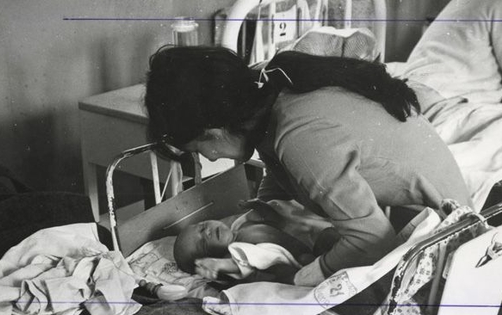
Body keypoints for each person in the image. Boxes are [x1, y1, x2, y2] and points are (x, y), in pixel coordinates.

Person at [143, 37, 472, 286]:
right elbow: (281, 163)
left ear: (213, 131)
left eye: (201, 149)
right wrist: (266, 202)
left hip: (444, 247)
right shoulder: (271, 90)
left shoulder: (300, 134)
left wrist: (300, 279)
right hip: (424, 216)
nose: (210, 157)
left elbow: (370, 240)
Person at [172, 199, 340, 283]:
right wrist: (218, 264)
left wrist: (261, 206)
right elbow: (241, 263)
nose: (207, 232)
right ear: (211, 256)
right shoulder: (232, 251)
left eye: (202, 227)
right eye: (203, 243)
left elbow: (275, 221)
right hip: (294, 269)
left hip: (310, 253)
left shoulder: (242, 224)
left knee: (329, 235)